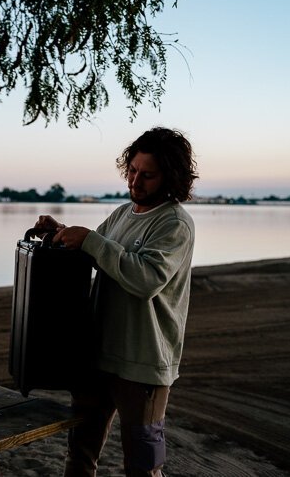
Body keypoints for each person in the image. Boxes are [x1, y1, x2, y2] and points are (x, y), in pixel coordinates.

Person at [35, 127, 198, 477]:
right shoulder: (124, 213)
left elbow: (145, 279)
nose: (136, 181)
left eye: (148, 175)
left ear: (170, 177)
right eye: (132, 171)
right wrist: (60, 232)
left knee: (144, 466)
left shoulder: (175, 223)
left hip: (143, 366)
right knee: (80, 454)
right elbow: (101, 255)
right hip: (97, 358)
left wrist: (91, 241)